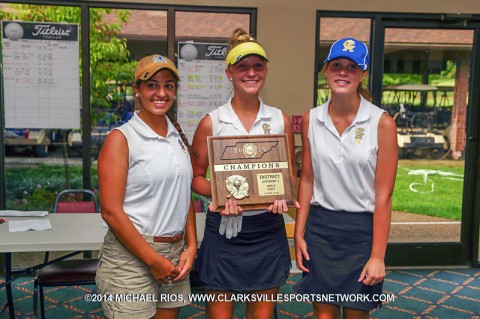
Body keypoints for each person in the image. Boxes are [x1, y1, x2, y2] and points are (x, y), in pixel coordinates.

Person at [191, 28, 298, 319]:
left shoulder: (280, 120)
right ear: (229, 73)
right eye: (242, 67)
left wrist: (282, 197)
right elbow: (195, 177)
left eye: (258, 66)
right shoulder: (211, 122)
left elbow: (287, 178)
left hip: (266, 229)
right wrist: (220, 194)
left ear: (265, 71)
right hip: (224, 231)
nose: (251, 73)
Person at [293, 38, 398, 319]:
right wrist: (298, 233)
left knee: (355, 315)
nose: (343, 72)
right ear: (326, 71)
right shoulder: (311, 119)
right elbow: (307, 179)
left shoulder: (382, 122)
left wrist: (378, 255)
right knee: (323, 316)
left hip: (361, 233)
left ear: (362, 74)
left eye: (352, 67)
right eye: (336, 65)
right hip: (321, 229)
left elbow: (384, 196)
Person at [96, 54, 197, 319]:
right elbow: (110, 212)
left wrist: (191, 246)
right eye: (152, 85)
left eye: (169, 85)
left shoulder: (177, 136)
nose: (161, 93)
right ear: (137, 90)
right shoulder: (122, 139)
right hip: (132, 256)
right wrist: (153, 260)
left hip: (175, 254)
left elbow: (183, 194)